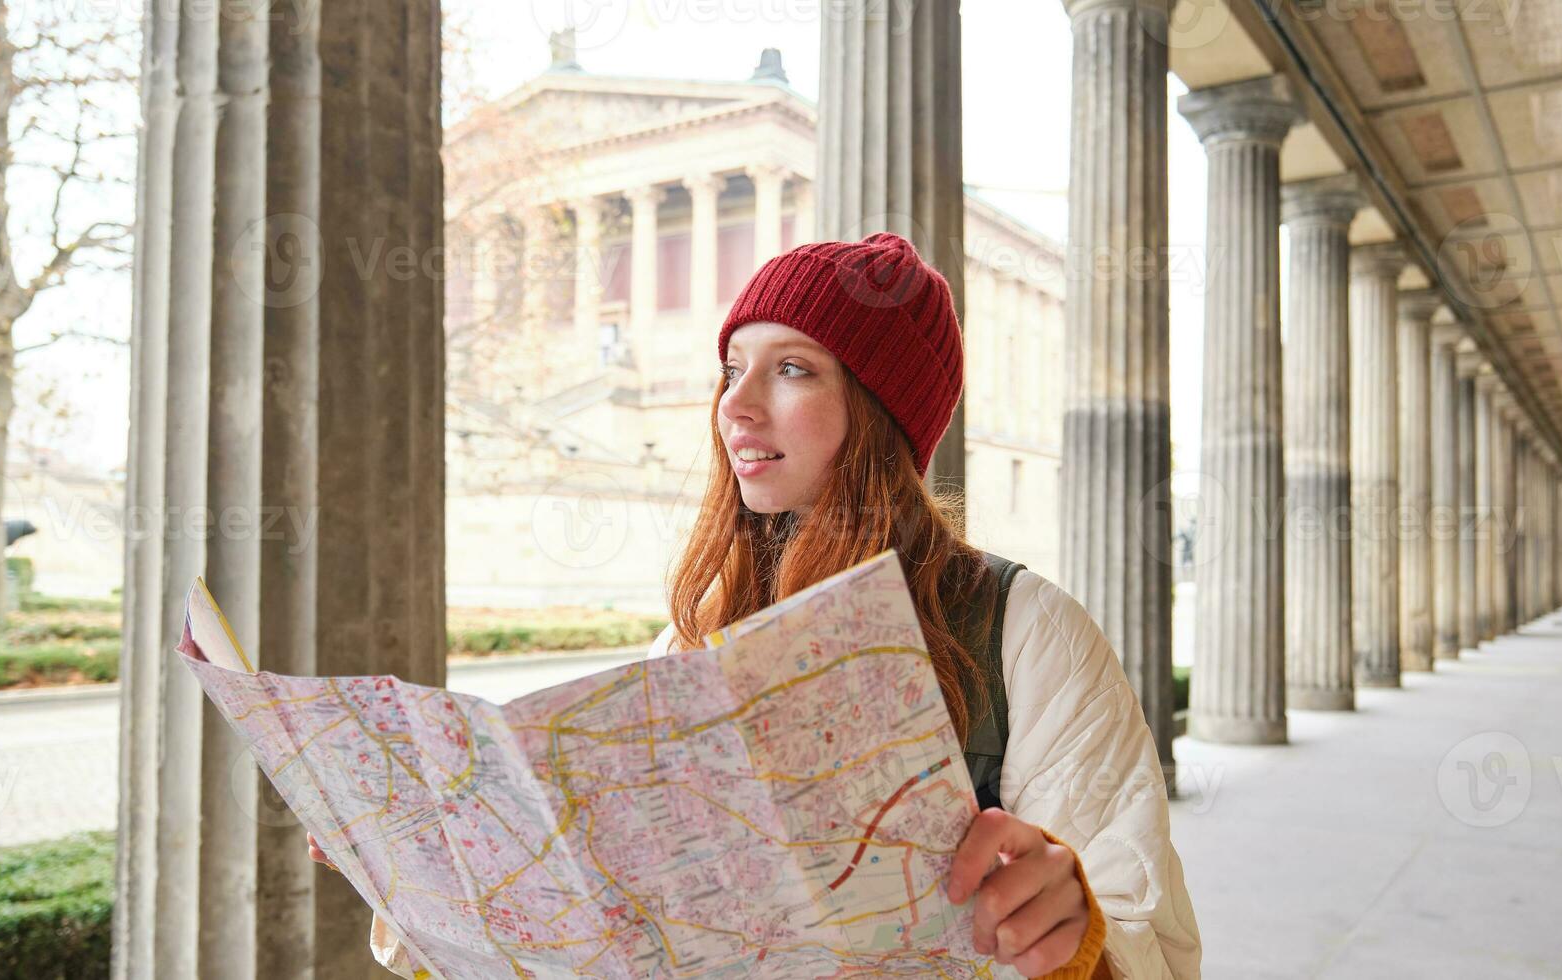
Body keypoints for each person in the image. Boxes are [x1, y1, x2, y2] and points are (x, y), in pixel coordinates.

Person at [317, 233, 1200, 978]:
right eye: (731, 369)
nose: (734, 406)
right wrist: (433, 864)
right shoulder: (693, 633)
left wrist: (1075, 931)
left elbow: (1153, 943)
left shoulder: (1029, 630)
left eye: (791, 369)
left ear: (881, 412)